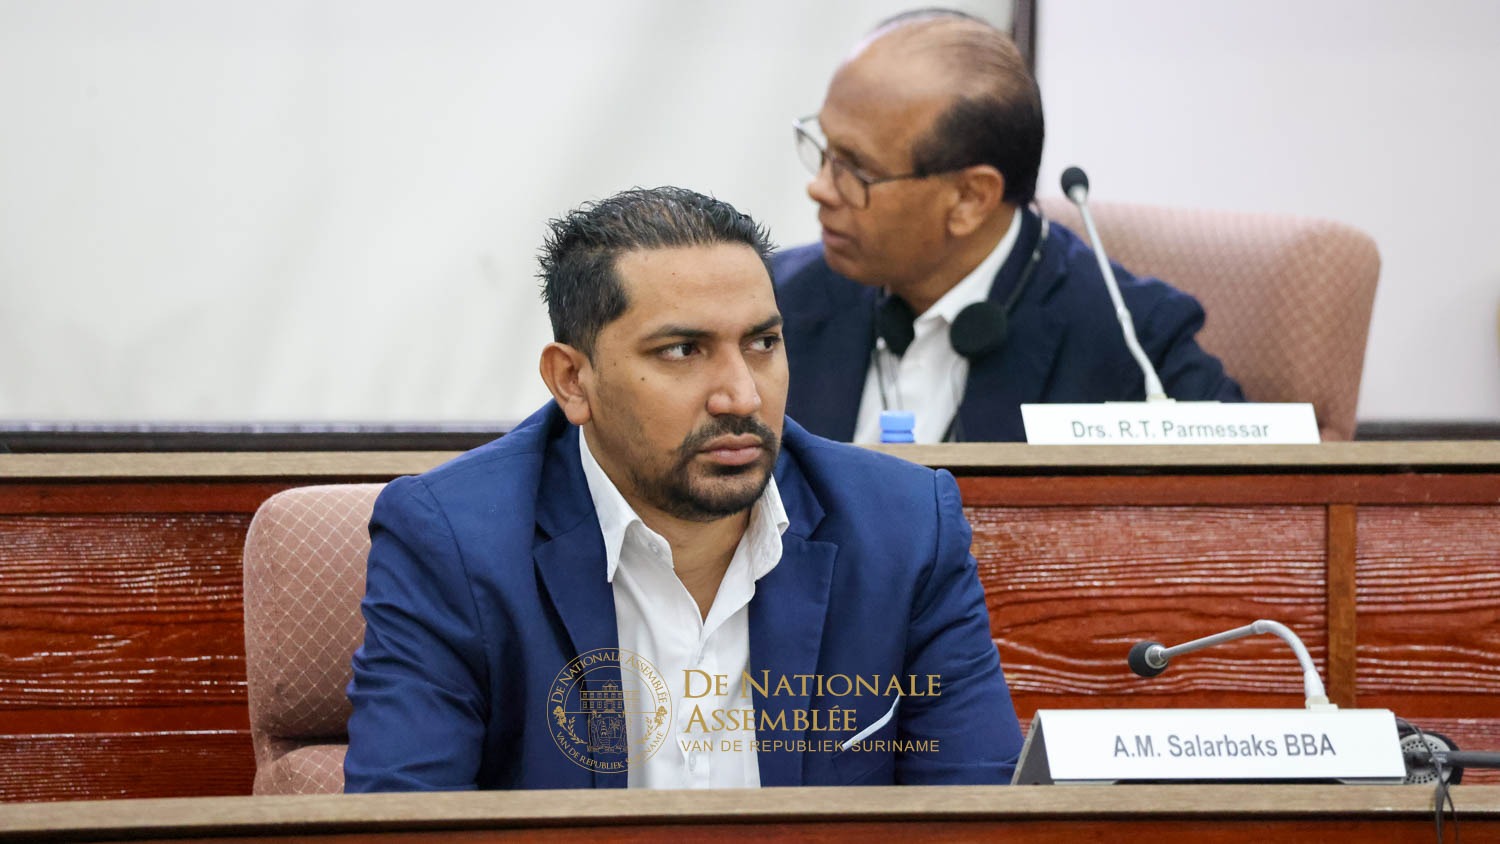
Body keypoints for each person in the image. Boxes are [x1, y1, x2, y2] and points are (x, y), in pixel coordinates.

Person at [344, 186, 1023, 791]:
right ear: (572, 381)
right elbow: (403, 825)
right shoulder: (454, 543)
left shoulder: (905, 530)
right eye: (682, 351)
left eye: (762, 343)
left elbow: (979, 813)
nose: (741, 395)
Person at [775, 9, 1244, 444]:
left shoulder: (1131, 340)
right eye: (825, 148)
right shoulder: (775, 299)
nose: (819, 187)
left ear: (970, 198)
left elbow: (1254, 478)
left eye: (856, 168)